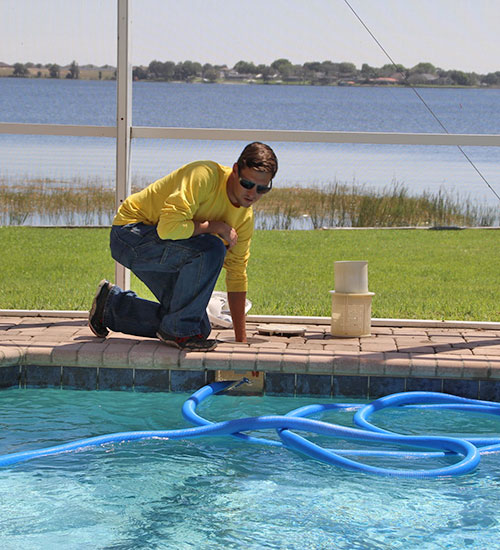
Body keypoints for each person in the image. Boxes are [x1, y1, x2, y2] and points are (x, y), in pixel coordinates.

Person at [89, 142, 278, 351]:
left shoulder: (244, 219)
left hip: (165, 250)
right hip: (130, 235)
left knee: (196, 327)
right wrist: (214, 227)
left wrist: (241, 342)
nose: (253, 193)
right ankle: (177, 330)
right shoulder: (204, 176)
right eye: (247, 183)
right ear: (235, 170)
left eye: (262, 188)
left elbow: (236, 274)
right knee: (213, 248)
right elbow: (167, 229)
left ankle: (109, 307)